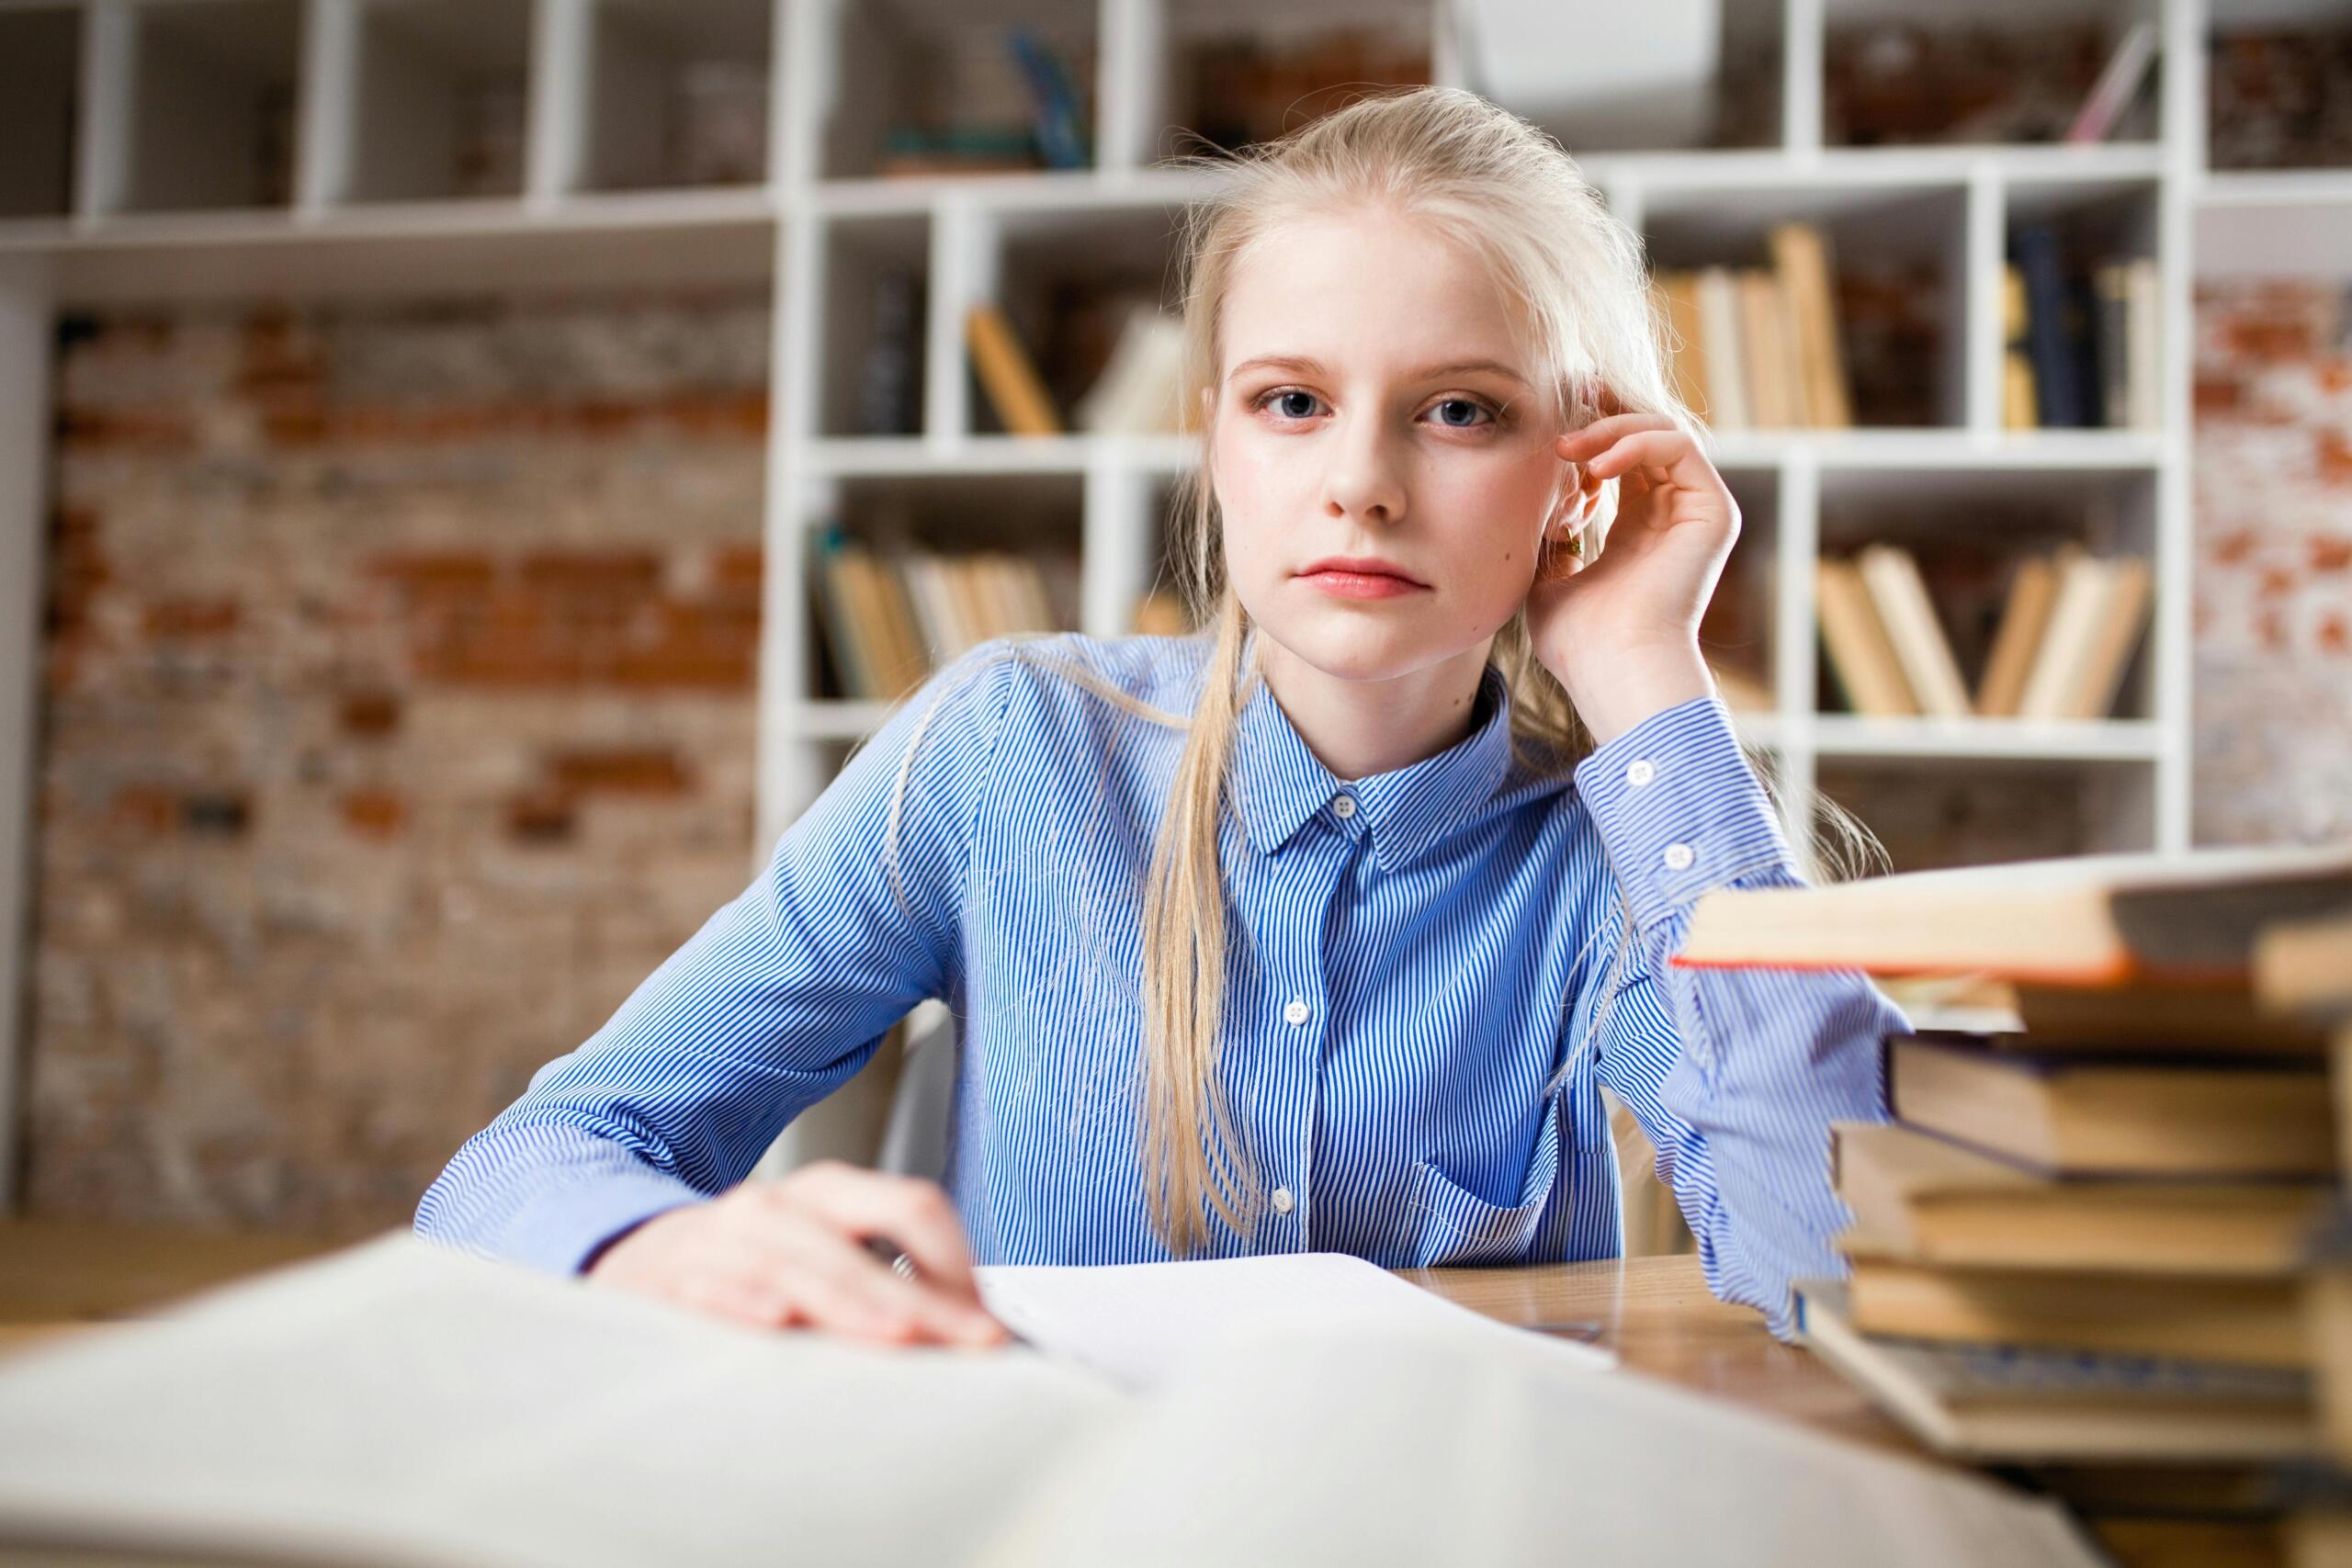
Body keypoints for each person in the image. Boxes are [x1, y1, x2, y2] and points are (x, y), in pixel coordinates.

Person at [415, 85, 1902, 1351]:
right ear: (1211, 439)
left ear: (1576, 469)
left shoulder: (1614, 852)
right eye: (1292, 402)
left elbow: (1838, 1268)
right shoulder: (1012, 751)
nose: (1363, 483)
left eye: (1460, 410)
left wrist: (1645, 669)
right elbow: (527, 1166)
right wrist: (662, 1254)